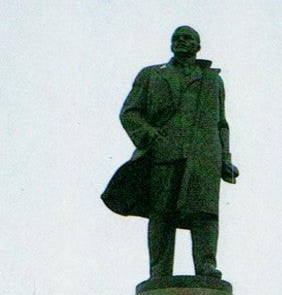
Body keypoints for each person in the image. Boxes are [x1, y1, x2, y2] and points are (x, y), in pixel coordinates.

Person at [102, 26, 238, 281]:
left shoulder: (212, 80)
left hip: (203, 156)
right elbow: (129, 112)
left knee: (205, 215)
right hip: (164, 154)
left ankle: (206, 267)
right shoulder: (152, 75)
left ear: (198, 46)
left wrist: (225, 159)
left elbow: (221, 123)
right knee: (161, 214)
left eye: (188, 38)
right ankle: (159, 273)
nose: (181, 41)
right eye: (176, 38)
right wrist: (149, 134)